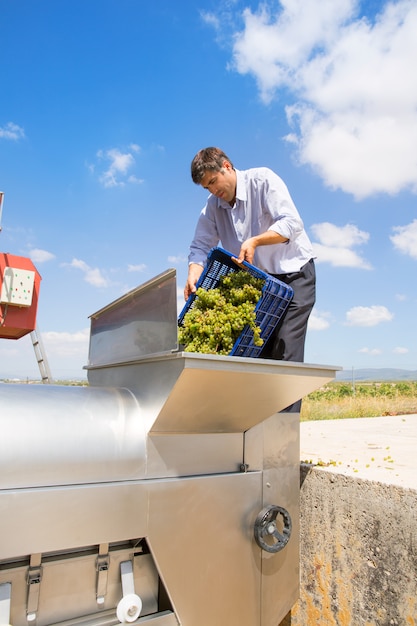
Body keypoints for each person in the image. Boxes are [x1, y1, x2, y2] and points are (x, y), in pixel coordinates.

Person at [184, 147, 316, 411]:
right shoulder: (212, 208)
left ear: (227, 167)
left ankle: (282, 441)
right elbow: (199, 246)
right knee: (257, 355)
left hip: (293, 275)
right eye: (206, 188)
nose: (212, 191)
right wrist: (193, 271)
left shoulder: (263, 180)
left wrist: (256, 240)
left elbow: (292, 223)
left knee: (285, 351)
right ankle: (258, 436)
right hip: (261, 285)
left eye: (213, 181)